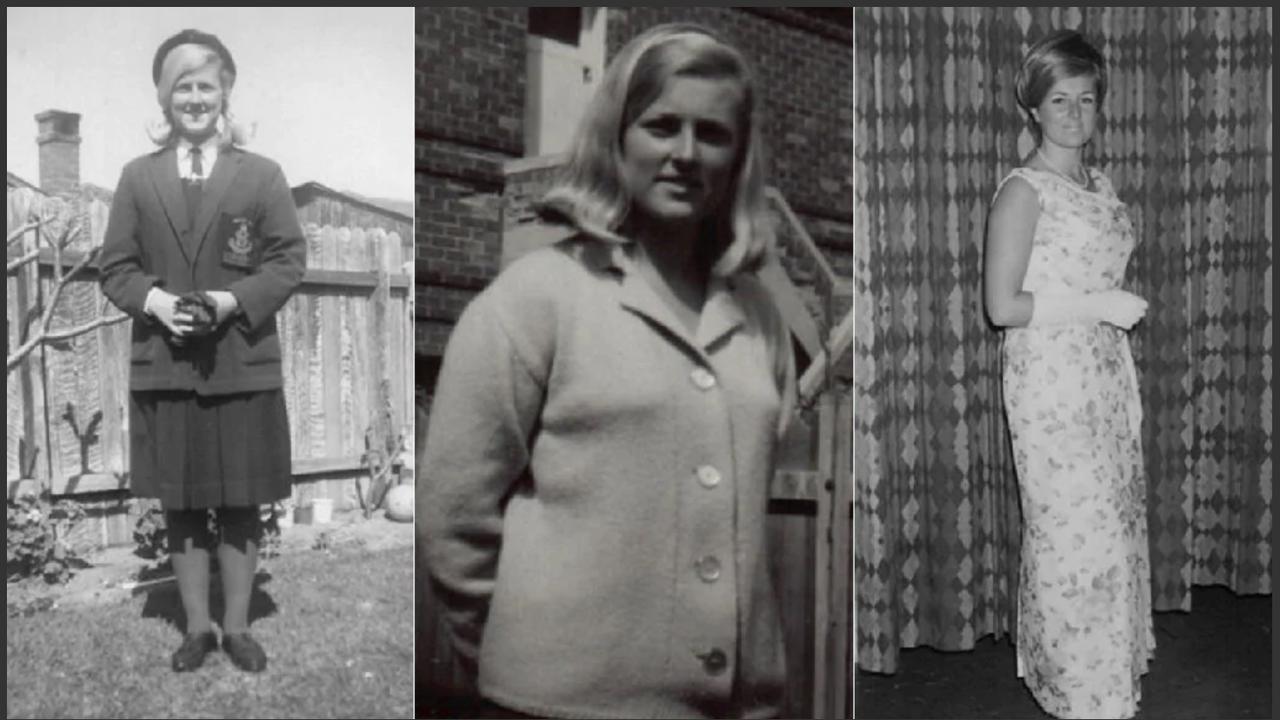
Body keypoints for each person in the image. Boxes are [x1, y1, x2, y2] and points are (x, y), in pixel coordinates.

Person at [420, 23, 795, 719]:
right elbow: (453, 516)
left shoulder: (759, 318)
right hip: (558, 705)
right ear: (617, 136)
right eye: (662, 125)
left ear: (738, 155)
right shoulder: (538, 296)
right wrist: (528, 654)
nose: (685, 153)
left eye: (712, 134)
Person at [99, 28, 306, 674]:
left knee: (241, 497)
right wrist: (157, 303)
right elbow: (116, 268)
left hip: (240, 362)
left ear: (225, 93)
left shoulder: (263, 176)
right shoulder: (138, 178)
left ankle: (239, 626)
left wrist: (230, 302)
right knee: (182, 500)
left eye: (205, 85)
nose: (195, 98)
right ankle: (197, 629)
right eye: (181, 86)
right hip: (166, 366)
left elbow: (288, 260)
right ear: (164, 100)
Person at [983, 29, 1156, 719]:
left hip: (1104, 373)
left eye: (1087, 99)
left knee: (1112, 526)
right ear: (1032, 108)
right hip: (1051, 383)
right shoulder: (1024, 191)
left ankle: (1107, 681)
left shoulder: (1099, 184)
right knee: (1073, 534)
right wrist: (1097, 305)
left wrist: (1113, 346)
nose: (1074, 113)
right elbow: (1002, 307)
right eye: (1059, 99)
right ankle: (1081, 693)